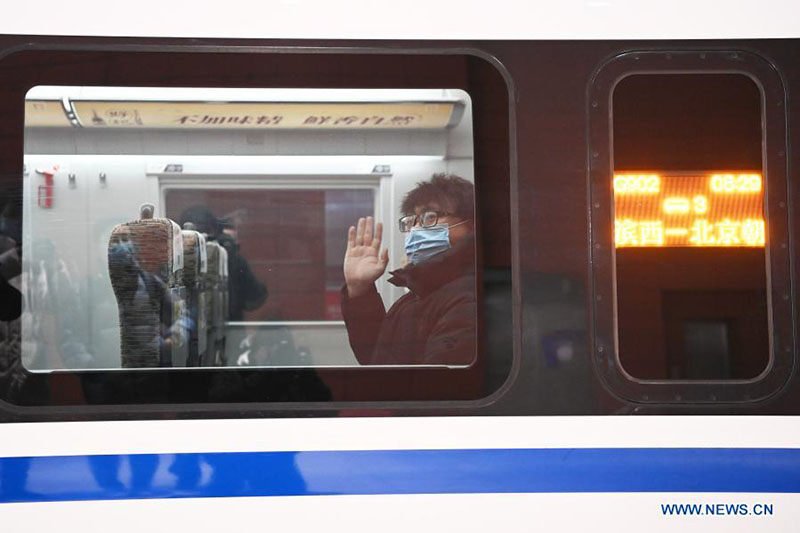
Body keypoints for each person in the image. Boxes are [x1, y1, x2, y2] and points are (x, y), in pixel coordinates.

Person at [341, 174, 477, 365]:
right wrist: (359, 289)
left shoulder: (468, 297)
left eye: (430, 217)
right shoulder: (420, 293)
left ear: (472, 225)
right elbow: (377, 359)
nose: (417, 228)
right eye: (412, 220)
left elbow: (440, 387)